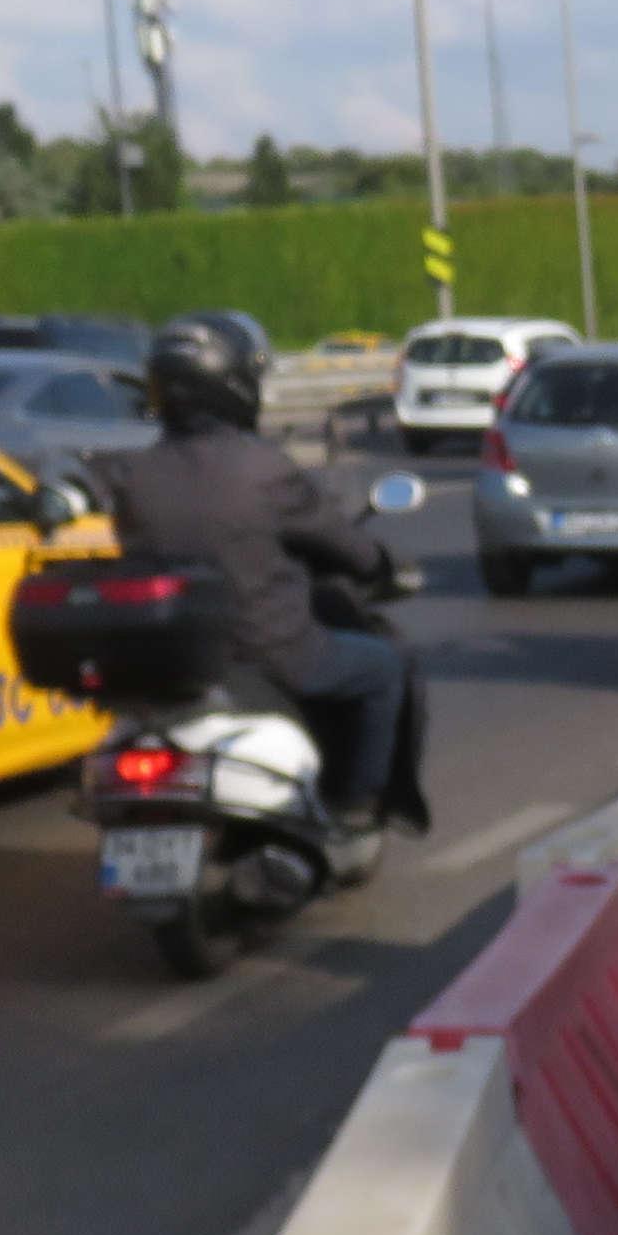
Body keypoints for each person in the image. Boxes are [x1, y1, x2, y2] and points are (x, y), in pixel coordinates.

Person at [102, 316, 415, 865]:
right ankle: (355, 809)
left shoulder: (135, 473)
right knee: (384, 667)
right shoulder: (263, 468)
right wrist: (383, 565)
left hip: (171, 660)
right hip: (268, 652)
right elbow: (344, 545)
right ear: (235, 385)